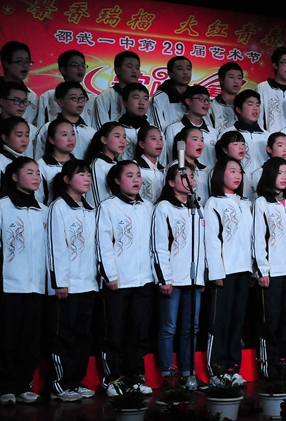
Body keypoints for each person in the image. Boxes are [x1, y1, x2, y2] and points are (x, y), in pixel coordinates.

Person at [0, 157, 47, 406]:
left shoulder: (44, 211)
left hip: (37, 286)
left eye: (38, 173)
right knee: (7, 338)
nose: (36, 177)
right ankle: (5, 388)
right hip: (9, 285)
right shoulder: (2, 208)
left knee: (30, 340)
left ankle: (24, 386)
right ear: (15, 177)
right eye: (30, 172)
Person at [96, 160, 155, 396]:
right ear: (117, 180)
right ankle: (114, 380)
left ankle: (136, 377)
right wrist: (110, 274)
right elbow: (103, 243)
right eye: (129, 175)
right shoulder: (108, 207)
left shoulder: (148, 207)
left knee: (138, 333)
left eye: (138, 175)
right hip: (118, 282)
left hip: (144, 281)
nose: (136, 179)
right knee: (115, 333)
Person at [46, 159, 98, 402]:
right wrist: (60, 282)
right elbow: (56, 246)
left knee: (83, 336)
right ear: (66, 180)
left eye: (88, 174)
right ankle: (60, 384)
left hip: (88, 284)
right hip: (67, 286)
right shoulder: (58, 207)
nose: (87, 178)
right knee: (63, 336)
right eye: (81, 174)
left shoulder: (90, 210)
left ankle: (76, 382)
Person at [153, 163, 206, 386]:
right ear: (171, 182)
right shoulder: (164, 207)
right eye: (184, 177)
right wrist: (164, 278)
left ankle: (188, 372)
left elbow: (202, 245)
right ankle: (168, 374)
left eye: (192, 177)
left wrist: (201, 276)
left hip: (193, 278)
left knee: (191, 328)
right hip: (173, 278)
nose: (189, 180)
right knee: (169, 328)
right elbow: (159, 245)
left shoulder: (197, 207)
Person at [204, 156, 252, 385]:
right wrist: (216, 272)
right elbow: (212, 240)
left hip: (244, 270)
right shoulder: (214, 203)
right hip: (224, 271)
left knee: (237, 321)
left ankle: (233, 368)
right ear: (220, 174)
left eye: (239, 172)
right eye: (232, 171)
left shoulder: (245, 203)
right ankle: (217, 369)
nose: (237, 176)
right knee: (219, 322)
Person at [252, 157, 286, 379]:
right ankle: (268, 371)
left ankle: (282, 369)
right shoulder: (262, 203)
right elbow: (258, 238)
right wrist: (263, 270)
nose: (284, 177)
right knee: (269, 323)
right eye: (280, 173)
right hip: (271, 274)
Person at [34, 81, 95, 161]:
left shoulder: (91, 132)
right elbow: (39, 159)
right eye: (73, 98)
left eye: (82, 97)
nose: (80, 101)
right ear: (60, 102)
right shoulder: (47, 129)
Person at [36, 50, 95, 128]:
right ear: (63, 70)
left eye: (82, 65)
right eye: (75, 65)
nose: (80, 68)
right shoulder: (48, 96)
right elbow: (40, 125)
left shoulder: (92, 98)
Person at [257, 46, 286, 131]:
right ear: (275, 65)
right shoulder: (263, 88)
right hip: (271, 137)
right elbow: (259, 118)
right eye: (285, 62)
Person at [93, 51, 142, 127]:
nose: (134, 71)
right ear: (117, 70)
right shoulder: (105, 96)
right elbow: (101, 128)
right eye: (129, 66)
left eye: (137, 68)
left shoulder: (142, 97)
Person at [86, 122, 127, 208]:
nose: (122, 141)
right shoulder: (98, 165)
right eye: (117, 136)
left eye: (124, 137)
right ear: (104, 140)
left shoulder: (117, 164)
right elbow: (98, 202)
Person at [151, 56, 193, 131]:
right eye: (180, 69)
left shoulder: (195, 97)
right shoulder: (159, 97)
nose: (185, 72)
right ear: (170, 73)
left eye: (188, 69)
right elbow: (156, 129)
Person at [134, 124, 166, 203]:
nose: (159, 143)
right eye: (153, 139)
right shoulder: (134, 167)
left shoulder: (164, 170)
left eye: (161, 139)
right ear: (142, 144)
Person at [210, 62, 244, 130]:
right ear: (221, 80)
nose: (236, 81)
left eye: (239, 78)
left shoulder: (245, 107)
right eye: (231, 77)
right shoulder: (211, 106)